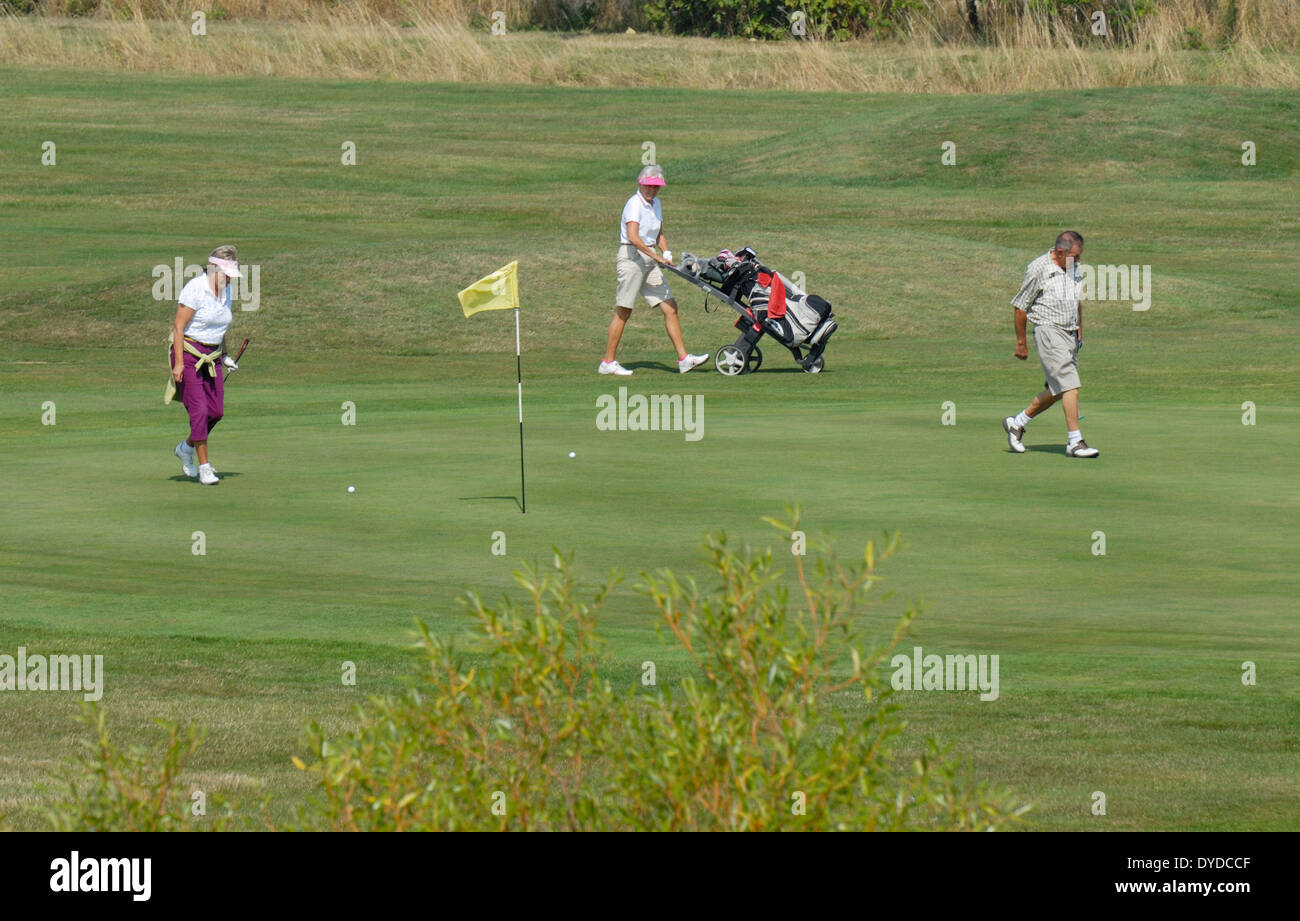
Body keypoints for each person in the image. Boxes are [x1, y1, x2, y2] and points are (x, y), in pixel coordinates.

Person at [599, 164, 709, 376]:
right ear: (641, 183)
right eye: (649, 186)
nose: (653, 190)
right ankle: (608, 362)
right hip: (631, 258)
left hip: (649, 259)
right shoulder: (634, 204)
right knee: (624, 310)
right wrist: (656, 256)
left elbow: (658, 233)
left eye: (656, 186)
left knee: (670, 307)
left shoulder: (656, 203)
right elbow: (633, 236)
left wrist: (666, 252)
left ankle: (684, 359)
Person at [1003, 231, 1099, 458]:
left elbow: (1076, 301)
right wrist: (1021, 343)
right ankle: (1075, 442)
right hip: (1048, 330)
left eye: (1079, 256)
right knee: (1070, 385)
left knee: (1057, 390)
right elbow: (1020, 307)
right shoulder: (1038, 268)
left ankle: (1017, 423)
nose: (1078, 261)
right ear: (1059, 252)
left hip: (1069, 333)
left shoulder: (1075, 268)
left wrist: (1079, 330)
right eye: (1074, 257)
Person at [169, 245, 242, 484]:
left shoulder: (226, 290)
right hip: (189, 354)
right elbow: (178, 327)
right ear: (214, 270)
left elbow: (219, 327)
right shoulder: (195, 289)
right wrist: (178, 363)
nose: (230, 278)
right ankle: (205, 467)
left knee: (216, 412)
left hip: (212, 357)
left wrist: (226, 355)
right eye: (227, 273)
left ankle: (186, 447)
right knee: (199, 411)